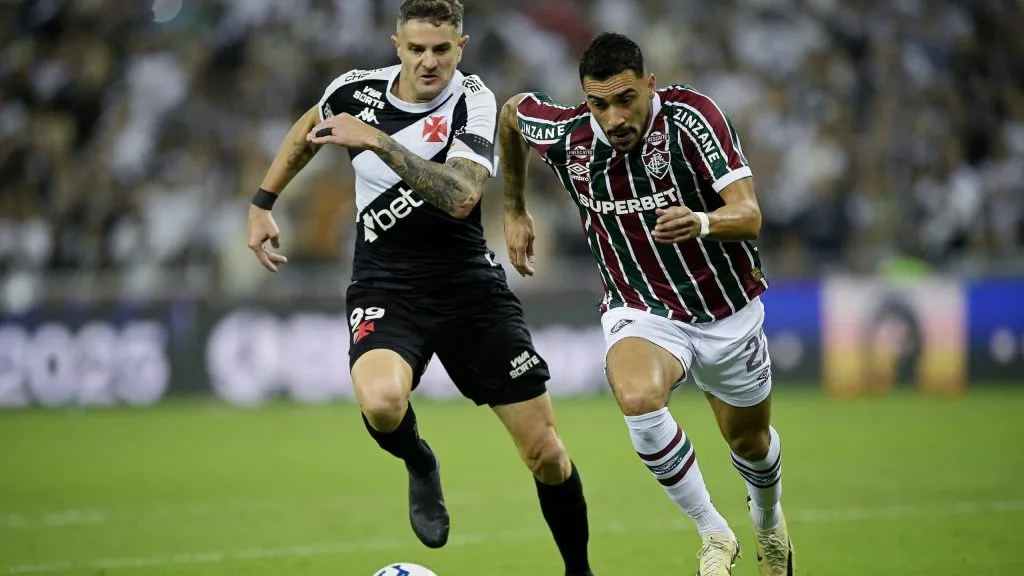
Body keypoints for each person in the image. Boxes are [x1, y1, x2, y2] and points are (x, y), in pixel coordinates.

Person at [245, 2, 593, 574]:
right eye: (416, 49)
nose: (429, 62)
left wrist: (379, 142)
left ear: (462, 46)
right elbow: (311, 130)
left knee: (546, 453)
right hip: (387, 283)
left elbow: (460, 197)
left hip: (469, 288)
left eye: (441, 49)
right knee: (382, 404)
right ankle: (418, 459)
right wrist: (263, 202)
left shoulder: (473, 102)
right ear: (396, 45)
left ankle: (580, 572)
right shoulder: (354, 91)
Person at [498, 32, 795, 576]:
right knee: (636, 397)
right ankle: (714, 532)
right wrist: (515, 207)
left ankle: (770, 523)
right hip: (642, 309)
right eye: (599, 104)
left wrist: (702, 222)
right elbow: (513, 113)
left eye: (625, 99)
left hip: (727, 309)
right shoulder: (569, 136)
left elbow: (749, 213)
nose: (613, 117)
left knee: (749, 441)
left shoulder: (692, 119)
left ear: (650, 86)